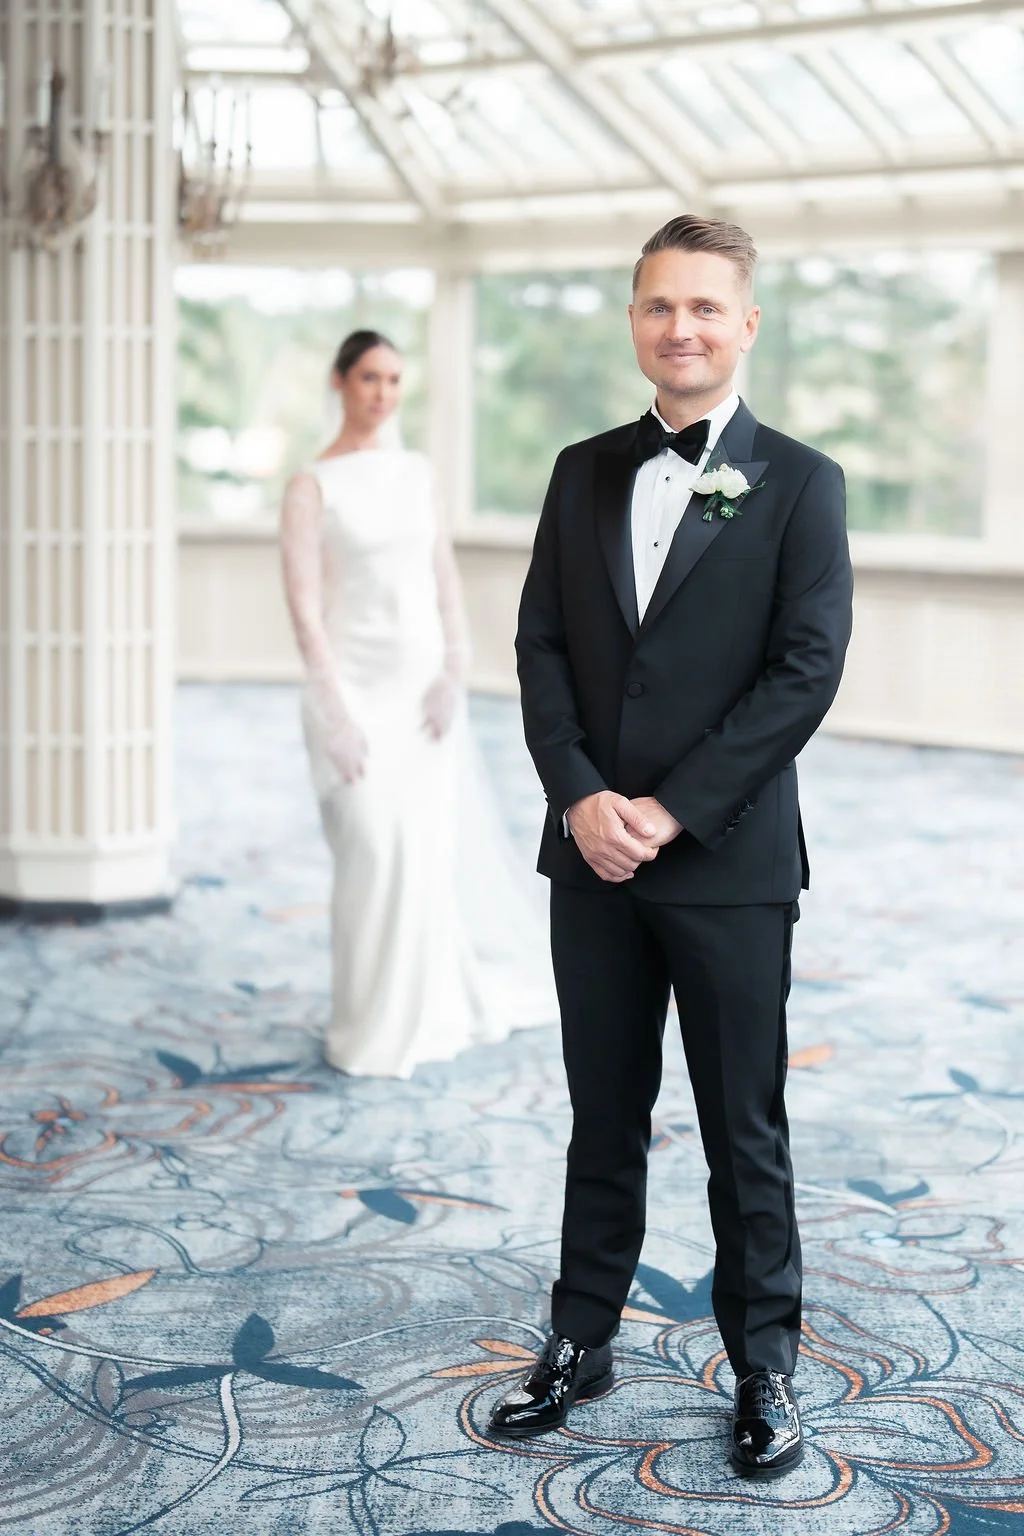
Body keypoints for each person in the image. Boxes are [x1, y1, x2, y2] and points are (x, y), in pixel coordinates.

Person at [490, 217, 854, 1476]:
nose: (679, 327)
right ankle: (580, 1336)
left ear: (745, 323)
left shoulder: (802, 481)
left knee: (742, 1126)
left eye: (704, 307)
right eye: (657, 305)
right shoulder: (579, 470)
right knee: (602, 1111)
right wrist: (581, 796)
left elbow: (804, 672)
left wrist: (672, 809)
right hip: (589, 855)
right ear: (633, 320)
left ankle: (763, 1365)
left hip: (728, 860)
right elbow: (541, 645)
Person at [280, 329, 555, 1079]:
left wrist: (454, 666)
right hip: (352, 689)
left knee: (424, 854)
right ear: (340, 382)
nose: (383, 393)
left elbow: (442, 574)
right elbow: (304, 608)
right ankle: (368, 1022)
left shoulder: (416, 472)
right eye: (370, 377)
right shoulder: (312, 484)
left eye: (395, 379)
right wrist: (334, 711)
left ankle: (428, 1010)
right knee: (372, 851)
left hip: (420, 688)